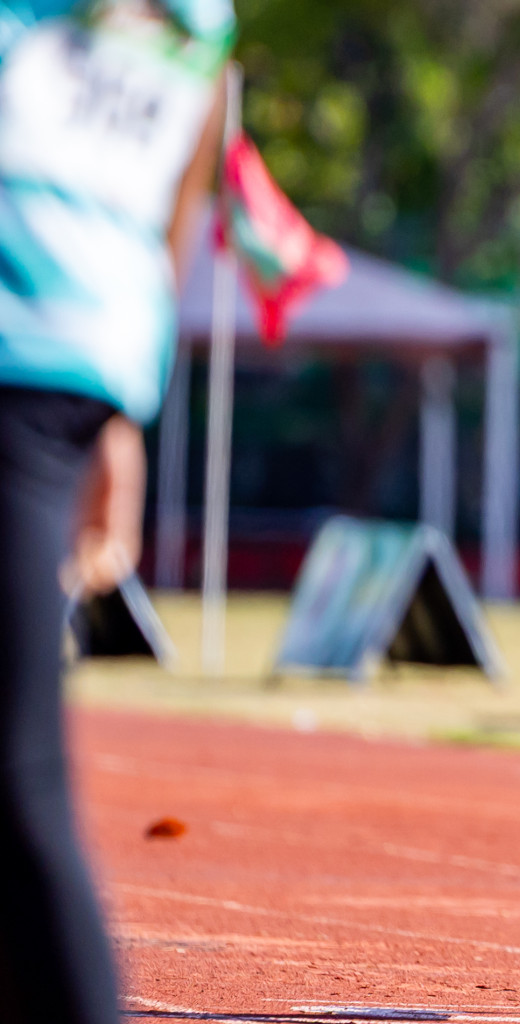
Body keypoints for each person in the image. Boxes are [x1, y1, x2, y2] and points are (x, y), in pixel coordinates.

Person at [0, 1, 232, 1020]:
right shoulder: (200, 31)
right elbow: (166, 216)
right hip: (83, 365)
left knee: (16, 761)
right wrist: (125, 411)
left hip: (29, 366)